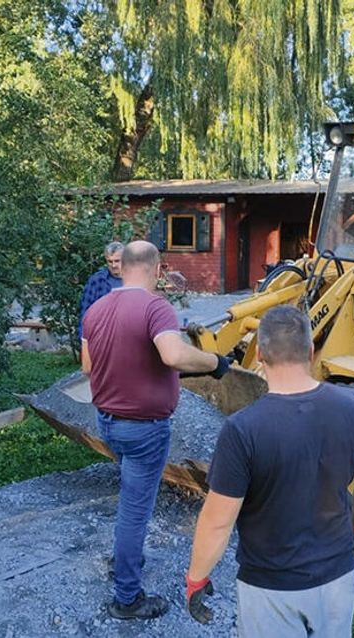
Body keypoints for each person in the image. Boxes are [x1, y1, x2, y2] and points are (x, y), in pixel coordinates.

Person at [183, 305, 354, 636]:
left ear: (260, 354)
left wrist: (197, 577)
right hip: (337, 579)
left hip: (270, 589)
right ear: (310, 350)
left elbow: (217, 520)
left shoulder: (242, 430)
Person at [81, 240, 231, 620]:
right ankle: (127, 599)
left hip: (108, 423)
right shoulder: (155, 306)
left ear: (123, 266)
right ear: (156, 269)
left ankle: (124, 560)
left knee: (131, 500)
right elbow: (174, 355)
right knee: (135, 510)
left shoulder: (97, 308)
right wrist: (214, 362)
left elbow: (87, 367)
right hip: (144, 429)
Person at [78, 241, 124, 339]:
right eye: (110, 261)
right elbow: (85, 313)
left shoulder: (133, 280)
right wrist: (83, 339)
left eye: (117, 261)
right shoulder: (97, 280)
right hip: (101, 337)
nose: (113, 265)